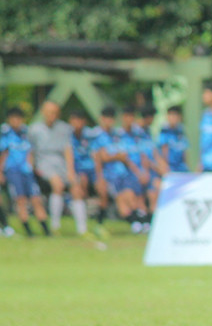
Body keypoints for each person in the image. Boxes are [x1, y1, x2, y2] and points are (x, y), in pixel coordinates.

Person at [93, 106, 146, 234]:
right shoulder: (98, 136)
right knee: (118, 200)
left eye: (111, 119)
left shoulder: (117, 135)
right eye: (106, 118)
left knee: (131, 197)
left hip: (122, 174)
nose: (109, 121)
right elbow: (101, 157)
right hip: (109, 176)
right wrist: (100, 178)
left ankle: (139, 223)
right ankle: (135, 224)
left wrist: (138, 172)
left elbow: (125, 157)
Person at [27, 100, 78, 232]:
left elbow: (68, 150)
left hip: (60, 164)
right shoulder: (34, 129)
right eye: (49, 112)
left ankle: (81, 228)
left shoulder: (64, 129)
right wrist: (30, 169)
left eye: (55, 113)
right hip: (43, 163)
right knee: (58, 185)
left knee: (77, 189)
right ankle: (55, 224)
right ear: (43, 112)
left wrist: (71, 171)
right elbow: (30, 151)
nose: (52, 115)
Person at [0, 108, 51, 237]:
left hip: (26, 172)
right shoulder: (5, 134)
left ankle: (46, 230)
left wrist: (32, 166)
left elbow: (31, 152)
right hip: (13, 172)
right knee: (20, 199)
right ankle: (28, 230)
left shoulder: (27, 133)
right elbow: (3, 154)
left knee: (36, 199)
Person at [67, 110, 106, 238]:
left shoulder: (90, 135)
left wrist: (99, 177)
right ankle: (82, 228)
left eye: (80, 120)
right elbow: (69, 157)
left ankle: (100, 224)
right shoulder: (68, 136)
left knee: (102, 189)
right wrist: (72, 175)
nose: (77, 123)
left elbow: (96, 156)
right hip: (79, 171)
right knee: (78, 189)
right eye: (74, 120)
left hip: (92, 170)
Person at [157, 105, 190, 172]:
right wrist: (165, 167)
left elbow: (184, 152)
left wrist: (186, 166)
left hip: (181, 168)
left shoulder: (181, 131)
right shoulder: (165, 132)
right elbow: (164, 150)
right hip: (170, 168)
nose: (173, 118)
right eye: (171, 115)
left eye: (175, 115)